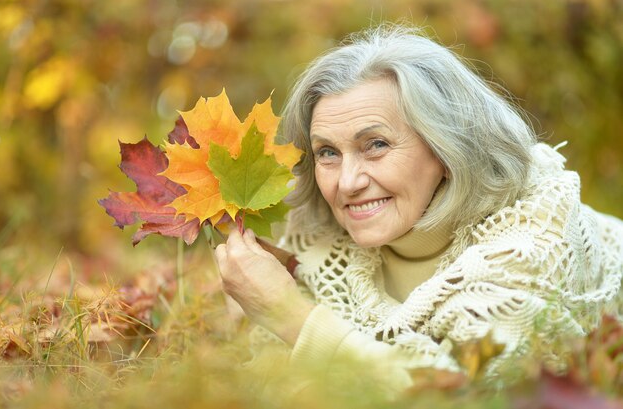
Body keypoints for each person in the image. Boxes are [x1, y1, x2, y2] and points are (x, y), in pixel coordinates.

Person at [214, 25, 623, 392]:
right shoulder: (319, 240)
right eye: (327, 152)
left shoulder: (533, 238)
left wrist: (290, 315)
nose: (347, 182)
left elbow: (461, 394)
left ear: (447, 150)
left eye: (376, 144)